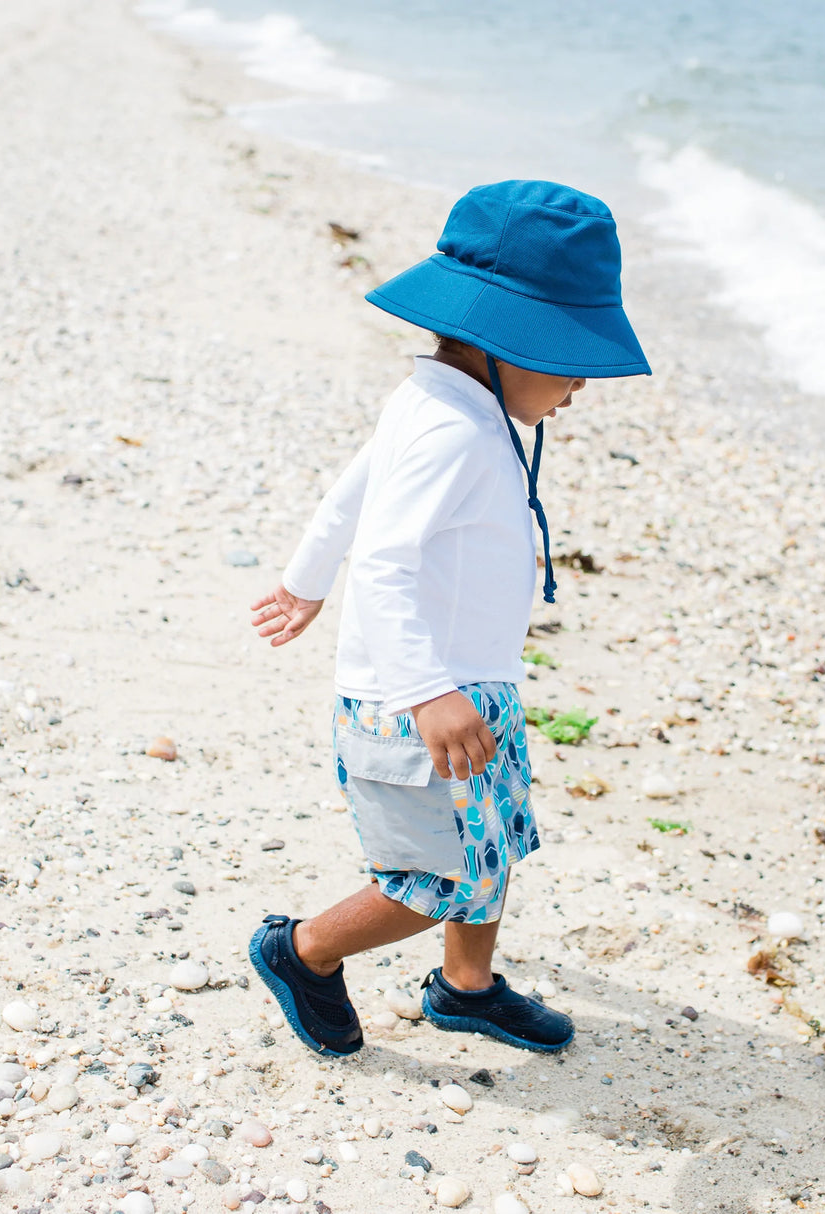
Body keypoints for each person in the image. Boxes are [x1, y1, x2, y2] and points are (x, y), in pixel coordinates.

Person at [246, 179, 650, 1057]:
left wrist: (305, 576)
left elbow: (353, 488)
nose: (583, 379)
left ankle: (466, 988)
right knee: (429, 875)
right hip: (413, 700)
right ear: (510, 340)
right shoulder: (453, 430)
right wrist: (430, 691)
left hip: (472, 682)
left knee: (493, 844)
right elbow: (386, 560)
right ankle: (304, 952)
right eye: (571, 354)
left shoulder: (445, 399)